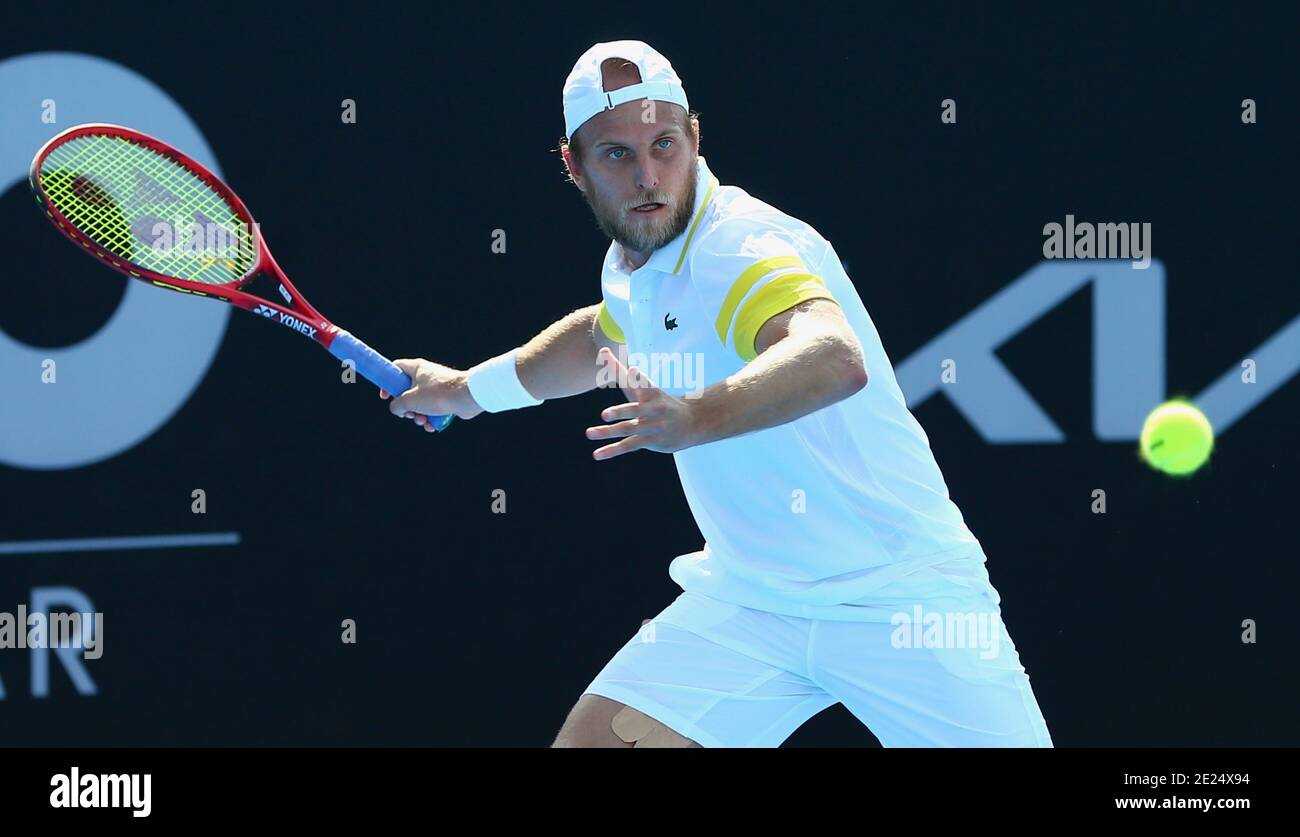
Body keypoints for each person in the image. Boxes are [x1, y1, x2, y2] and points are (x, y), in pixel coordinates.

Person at [381, 40, 1053, 748]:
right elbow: (602, 337)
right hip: (751, 600)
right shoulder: (637, 257)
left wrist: (700, 415)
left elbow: (832, 353)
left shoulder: (738, 246)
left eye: (663, 144)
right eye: (616, 155)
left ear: (694, 138)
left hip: (900, 597)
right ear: (573, 167)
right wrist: (464, 390)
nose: (648, 176)